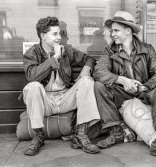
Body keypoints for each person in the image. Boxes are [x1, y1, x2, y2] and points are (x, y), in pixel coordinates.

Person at [93, 11, 156, 162]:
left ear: (128, 30)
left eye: (116, 30)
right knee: (99, 85)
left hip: (144, 92)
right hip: (122, 93)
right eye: (112, 31)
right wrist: (122, 80)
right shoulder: (110, 50)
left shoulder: (147, 49)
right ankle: (115, 132)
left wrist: (145, 87)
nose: (112, 34)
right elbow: (99, 71)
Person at [22, 16, 100, 156]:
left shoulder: (67, 50)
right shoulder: (32, 53)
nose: (59, 37)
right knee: (33, 86)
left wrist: (86, 69)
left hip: (65, 98)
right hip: (45, 102)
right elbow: (32, 76)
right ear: (43, 35)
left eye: (60, 33)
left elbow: (89, 59)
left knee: (87, 81)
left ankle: (81, 135)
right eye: (55, 34)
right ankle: (39, 136)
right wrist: (55, 58)